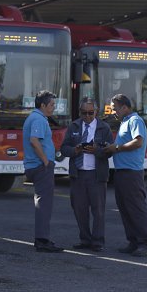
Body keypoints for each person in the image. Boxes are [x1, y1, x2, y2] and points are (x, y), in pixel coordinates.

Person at [102, 94, 147, 258]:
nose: (114, 111)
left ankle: (144, 244)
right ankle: (133, 242)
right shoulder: (124, 122)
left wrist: (116, 148)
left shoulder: (135, 121)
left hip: (132, 173)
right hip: (122, 171)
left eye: (115, 108)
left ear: (125, 107)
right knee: (125, 208)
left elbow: (138, 142)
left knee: (136, 209)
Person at [60, 98, 112, 252]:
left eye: (91, 113)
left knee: (98, 210)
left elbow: (110, 151)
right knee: (79, 209)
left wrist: (96, 150)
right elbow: (64, 148)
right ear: (80, 112)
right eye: (84, 113)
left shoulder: (104, 128)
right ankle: (85, 239)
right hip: (78, 174)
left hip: (97, 175)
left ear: (96, 112)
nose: (88, 116)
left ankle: (97, 242)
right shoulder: (74, 126)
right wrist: (74, 151)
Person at [23, 91, 61, 252]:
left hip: (36, 165)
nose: (54, 108)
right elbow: (34, 140)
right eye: (51, 105)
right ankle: (42, 240)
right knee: (44, 204)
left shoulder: (36, 118)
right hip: (40, 166)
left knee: (43, 203)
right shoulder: (38, 119)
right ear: (43, 105)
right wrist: (46, 160)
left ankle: (42, 239)